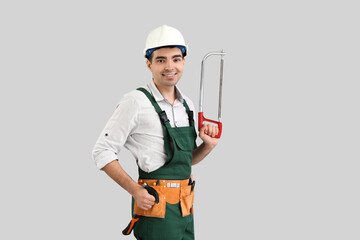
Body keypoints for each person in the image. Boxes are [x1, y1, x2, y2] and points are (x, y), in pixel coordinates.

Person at [92, 24, 219, 240]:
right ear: (149, 64)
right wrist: (135, 190)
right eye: (161, 60)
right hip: (157, 206)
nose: (170, 66)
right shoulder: (135, 101)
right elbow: (101, 151)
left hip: (185, 207)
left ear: (184, 61)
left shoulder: (186, 104)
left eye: (176, 59)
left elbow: (184, 161)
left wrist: (207, 146)